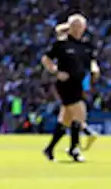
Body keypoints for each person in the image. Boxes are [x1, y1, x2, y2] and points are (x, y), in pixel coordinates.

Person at [40, 14, 99, 162]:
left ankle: (49, 149)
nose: (78, 30)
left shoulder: (86, 45)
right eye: (75, 26)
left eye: (80, 27)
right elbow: (46, 59)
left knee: (66, 119)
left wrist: (95, 69)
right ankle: (75, 149)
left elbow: (91, 61)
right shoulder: (61, 44)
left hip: (78, 84)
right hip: (65, 84)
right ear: (70, 27)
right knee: (80, 113)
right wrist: (55, 71)